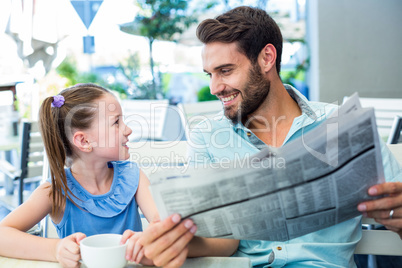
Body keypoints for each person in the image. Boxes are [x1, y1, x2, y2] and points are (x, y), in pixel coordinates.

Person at [138, 6, 402, 267]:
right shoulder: (208, 135)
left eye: (226, 71)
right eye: (210, 74)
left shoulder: (341, 124)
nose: (214, 87)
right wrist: (169, 243)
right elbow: (218, 239)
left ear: (266, 58)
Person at [0, 83, 160, 267]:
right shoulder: (55, 190)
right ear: (84, 141)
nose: (128, 129)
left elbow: (160, 223)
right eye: (116, 122)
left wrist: (149, 240)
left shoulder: (133, 176)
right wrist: (56, 249)